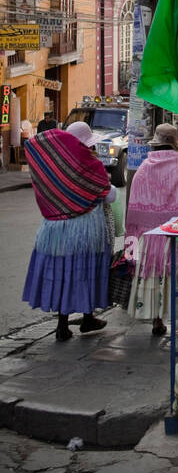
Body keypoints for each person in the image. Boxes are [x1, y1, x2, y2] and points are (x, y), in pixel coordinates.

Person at [23, 122, 116, 342]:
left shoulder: (50, 164)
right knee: (84, 271)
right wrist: (108, 186)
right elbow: (109, 195)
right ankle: (87, 317)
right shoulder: (90, 164)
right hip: (85, 229)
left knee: (62, 273)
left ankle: (62, 325)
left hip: (53, 231)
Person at [125, 123, 178, 335]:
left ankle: (156, 320)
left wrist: (131, 247)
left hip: (147, 236)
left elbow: (134, 207)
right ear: (174, 144)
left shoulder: (143, 168)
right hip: (172, 234)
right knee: (174, 277)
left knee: (152, 276)